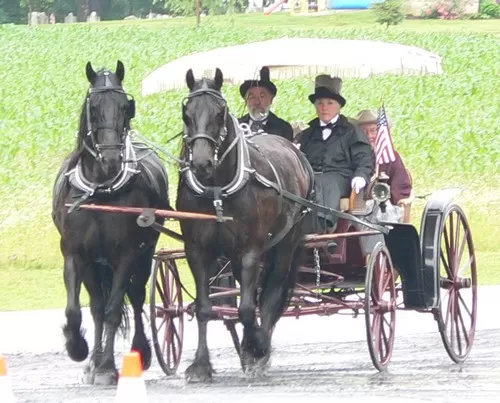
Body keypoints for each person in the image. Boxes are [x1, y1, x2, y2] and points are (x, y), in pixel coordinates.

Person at [297, 75, 374, 233]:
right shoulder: (307, 134)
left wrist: (361, 175)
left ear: (338, 106)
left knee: (325, 182)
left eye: (330, 103)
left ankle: (322, 228)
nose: (324, 107)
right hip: (310, 177)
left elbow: (364, 159)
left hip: (341, 179)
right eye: (320, 103)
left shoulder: (351, 132)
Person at [355, 109, 412, 207]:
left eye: (373, 130)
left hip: (385, 211)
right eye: (364, 131)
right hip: (355, 210)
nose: (369, 136)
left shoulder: (391, 157)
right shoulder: (352, 156)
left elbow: (401, 187)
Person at [238, 67, 294, 141]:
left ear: (271, 100)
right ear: (246, 101)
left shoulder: (283, 128)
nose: (257, 102)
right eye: (252, 97)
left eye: (262, 96)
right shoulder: (237, 126)